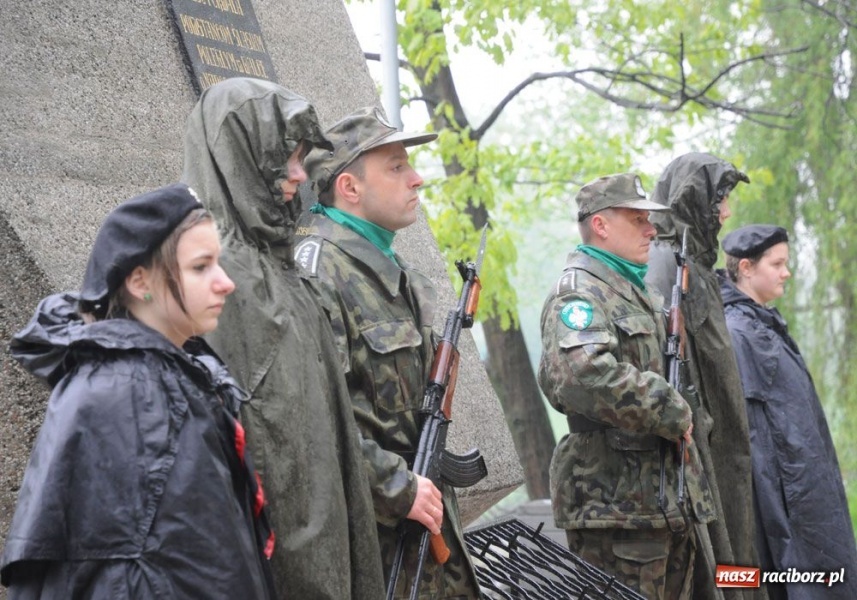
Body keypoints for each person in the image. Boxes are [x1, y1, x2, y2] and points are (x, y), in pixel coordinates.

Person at [0, 183, 275, 599]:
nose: (226, 283)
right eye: (201, 267)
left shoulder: (162, 374)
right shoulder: (137, 391)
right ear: (139, 280)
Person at [181, 78, 385, 600]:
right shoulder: (223, 276)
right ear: (241, 157)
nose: (300, 174)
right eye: (285, 158)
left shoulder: (274, 263)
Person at [295, 106, 481, 599]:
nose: (417, 179)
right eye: (396, 167)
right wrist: (396, 485)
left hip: (427, 534)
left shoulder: (390, 269)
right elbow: (310, 418)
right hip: (380, 551)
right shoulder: (318, 273)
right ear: (349, 188)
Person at [538, 173, 715, 600]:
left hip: (662, 501)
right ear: (600, 225)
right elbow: (584, 377)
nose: (651, 231)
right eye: (638, 220)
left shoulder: (638, 292)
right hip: (615, 505)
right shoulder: (578, 296)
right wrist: (669, 408)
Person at [644, 152, 763, 600]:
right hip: (702, 447)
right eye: (720, 201)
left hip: (723, 443)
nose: (728, 212)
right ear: (694, 202)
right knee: (717, 564)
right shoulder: (668, 265)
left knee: (738, 548)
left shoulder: (694, 262)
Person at [720, 224, 857, 600]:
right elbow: (755, 439)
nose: (787, 272)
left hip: (804, 487)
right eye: (777, 264)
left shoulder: (761, 323)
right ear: (746, 267)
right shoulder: (739, 333)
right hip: (786, 498)